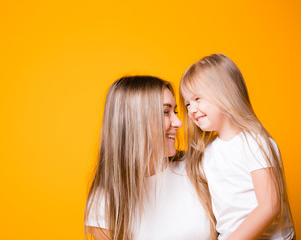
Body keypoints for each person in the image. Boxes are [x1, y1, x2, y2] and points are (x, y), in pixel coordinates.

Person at [84, 75, 216, 240]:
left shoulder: (198, 166)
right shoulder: (104, 202)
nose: (178, 122)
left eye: (174, 111)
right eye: (166, 112)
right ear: (135, 120)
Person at [179, 53, 295, 239]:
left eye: (198, 99)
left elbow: (269, 206)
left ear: (225, 92)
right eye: (187, 104)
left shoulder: (255, 143)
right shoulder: (208, 154)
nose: (191, 109)